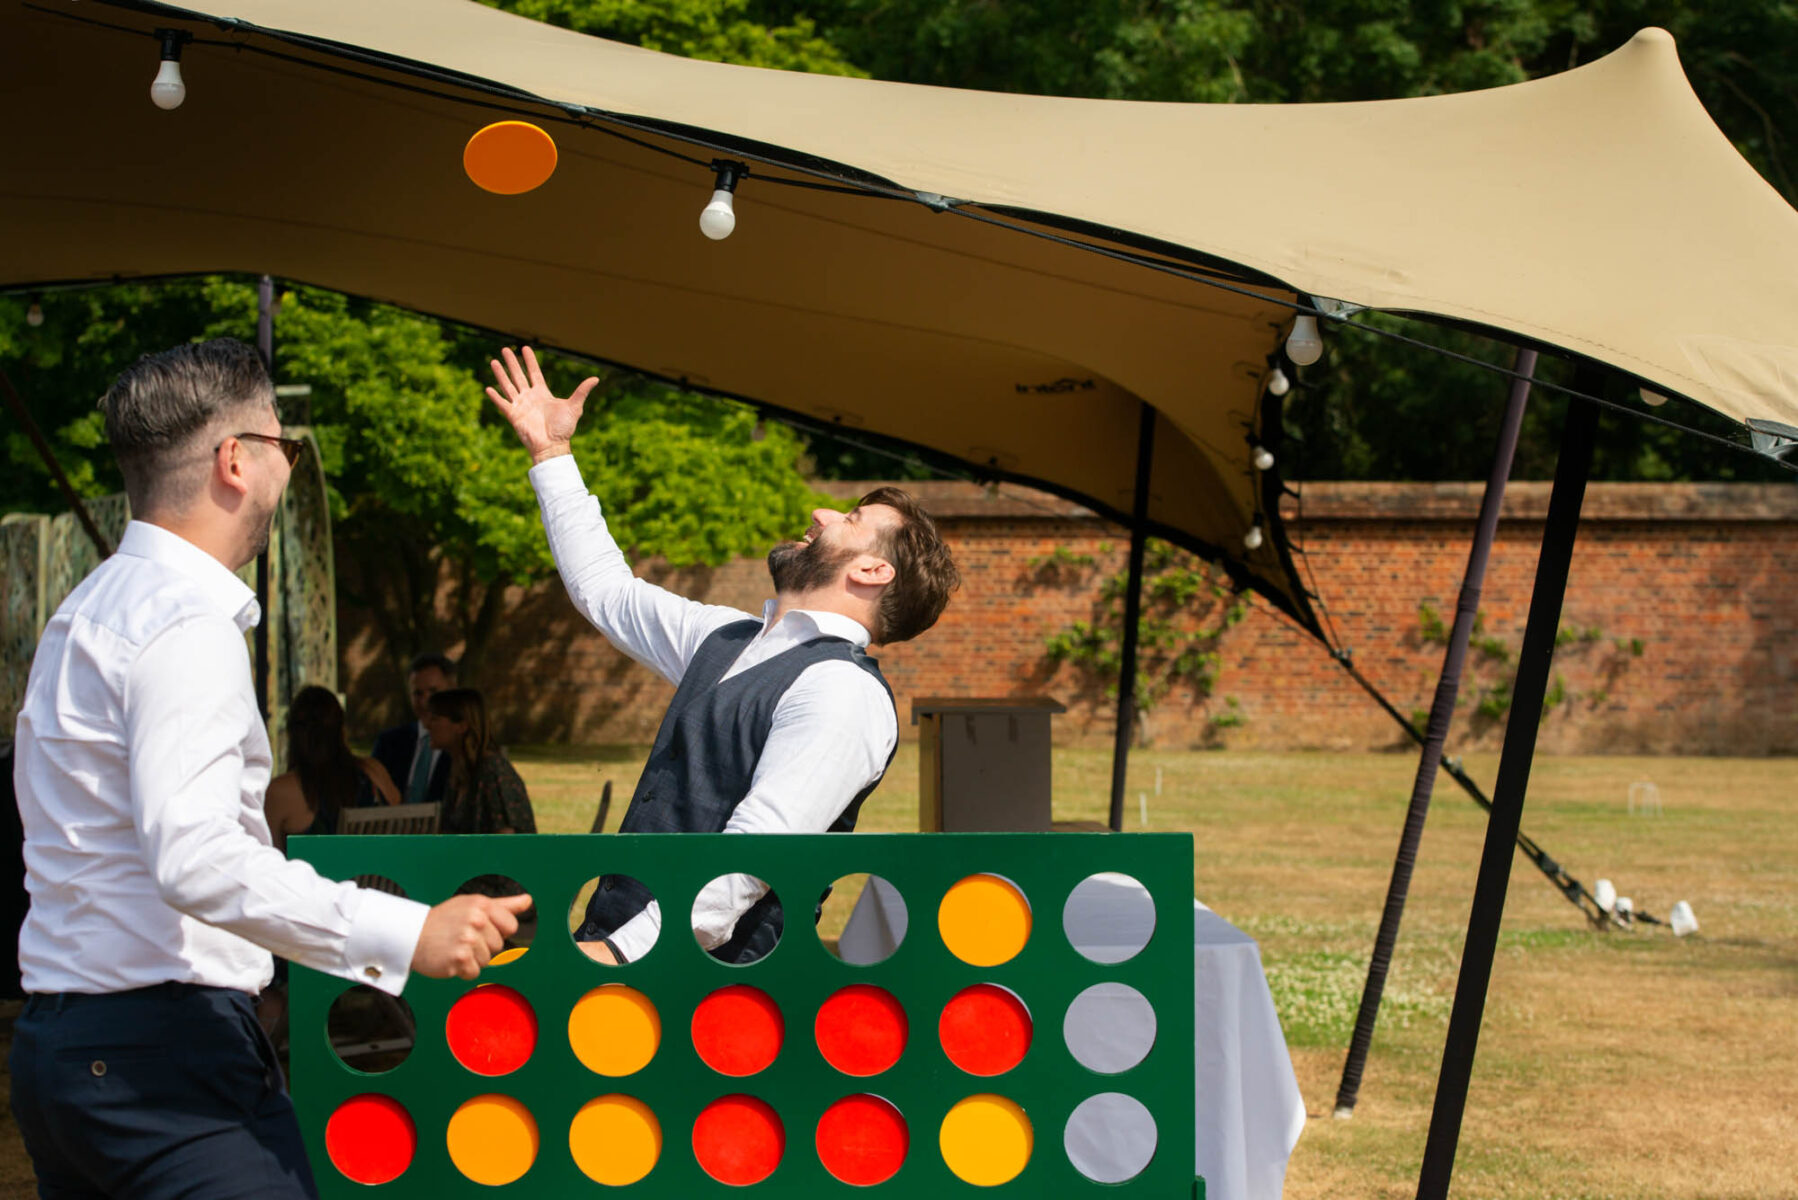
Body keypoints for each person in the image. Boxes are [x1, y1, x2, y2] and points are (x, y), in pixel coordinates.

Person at [11, 338, 532, 1200]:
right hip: (164, 1063)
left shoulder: (85, 610)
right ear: (235, 461)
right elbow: (196, 856)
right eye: (284, 448)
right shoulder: (185, 621)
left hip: (63, 1051)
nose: (288, 473)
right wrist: (406, 933)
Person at [485, 346, 959, 965]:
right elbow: (604, 590)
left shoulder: (845, 694)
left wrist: (621, 957)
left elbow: (750, 863)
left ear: (873, 569)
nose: (820, 512)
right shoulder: (727, 636)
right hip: (623, 953)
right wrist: (551, 455)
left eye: (849, 516)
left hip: (713, 994)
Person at [265, 685, 402, 851]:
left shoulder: (280, 791)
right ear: (341, 730)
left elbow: (266, 862)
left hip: (316, 877)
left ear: (292, 735)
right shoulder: (374, 772)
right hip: (380, 875)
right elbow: (402, 829)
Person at [424, 688, 536, 835]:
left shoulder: (493, 771)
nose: (427, 725)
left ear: (462, 726)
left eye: (435, 719)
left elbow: (506, 845)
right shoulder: (459, 771)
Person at [370, 651, 456, 807]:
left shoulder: (464, 746)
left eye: (433, 692)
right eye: (418, 693)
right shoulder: (388, 744)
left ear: (452, 690)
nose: (424, 702)